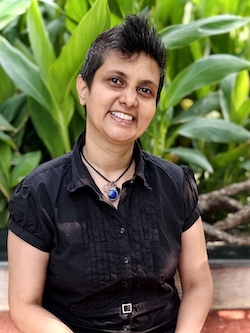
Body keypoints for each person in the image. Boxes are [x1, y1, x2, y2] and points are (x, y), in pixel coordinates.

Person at [7, 14, 213, 333]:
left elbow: (198, 283)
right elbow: (24, 305)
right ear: (84, 89)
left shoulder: (175, 185)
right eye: (115, 81)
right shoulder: (39, 193)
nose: (130, 99)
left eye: (145, 90)